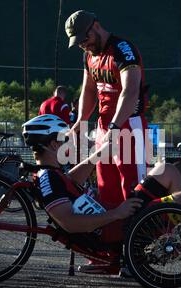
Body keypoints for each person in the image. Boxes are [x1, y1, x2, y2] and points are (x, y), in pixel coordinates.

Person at [22, 115, 181, 274]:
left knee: (166, 169)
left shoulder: (53, 174)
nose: (70, 142)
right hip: (116, 225)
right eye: (65, 138)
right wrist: (117, 212)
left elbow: (75, 178)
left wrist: (100, 152)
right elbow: (68, 221)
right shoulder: (48, 179)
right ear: (53, 143)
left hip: (117, 219)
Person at [65, 10, 150, 210]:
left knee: (134, 191)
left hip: (128, 126)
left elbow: (130, 92)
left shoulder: (122, 49)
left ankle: (141, 237)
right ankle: (114, 237)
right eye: (78, 43)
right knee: (106, 188)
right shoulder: (89, 56)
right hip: (105, 128)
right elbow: (88, 89)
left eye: (84, 39)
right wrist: (80, 122)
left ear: (95, 26)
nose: (83, 45)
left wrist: (116, 126)